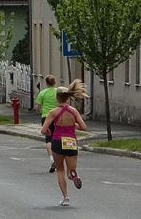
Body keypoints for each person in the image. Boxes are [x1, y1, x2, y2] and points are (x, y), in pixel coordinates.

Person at [41, 79, 87, 207]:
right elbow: (84, 127)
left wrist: (49, 133)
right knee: (70, 169)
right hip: (71, 141)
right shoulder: (74, 111)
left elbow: (43, 130)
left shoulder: (53, 112)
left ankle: (66, 198)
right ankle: (74, 175)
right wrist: (75, 126)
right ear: (67, 98)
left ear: (57, 98)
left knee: (60, 170)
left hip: (57, 141)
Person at [35, 75, 58, 173]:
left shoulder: (42, 93)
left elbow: (37, 107)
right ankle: (59, 159)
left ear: (46, 83)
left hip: (46, 117)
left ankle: (52, 159)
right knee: (58, 137)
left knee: (49, 139)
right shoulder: (58, 92)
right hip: (58, 117)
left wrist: (40, 110)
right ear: (55, 82)